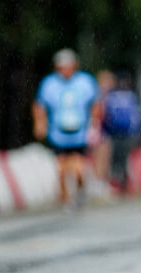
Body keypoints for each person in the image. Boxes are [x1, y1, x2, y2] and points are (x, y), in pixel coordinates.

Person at [33, 48, 101, 210]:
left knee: (78, 170)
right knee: (61, 169)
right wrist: (40, 124)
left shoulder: (85, 81)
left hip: (79, 133)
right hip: (58, 134)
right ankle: (65, 199)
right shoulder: (49, 84)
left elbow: (96, 103)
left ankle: (80, 191)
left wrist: (94, 124)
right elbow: (39, 105)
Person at [100, 70, 141, 193]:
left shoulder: (120, 97)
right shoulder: (119, 96)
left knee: (121, 158)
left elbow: (136, 115)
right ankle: (117, 183)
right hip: (116, 132)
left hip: (121, 132)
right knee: (117, 158)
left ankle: (121, 183)